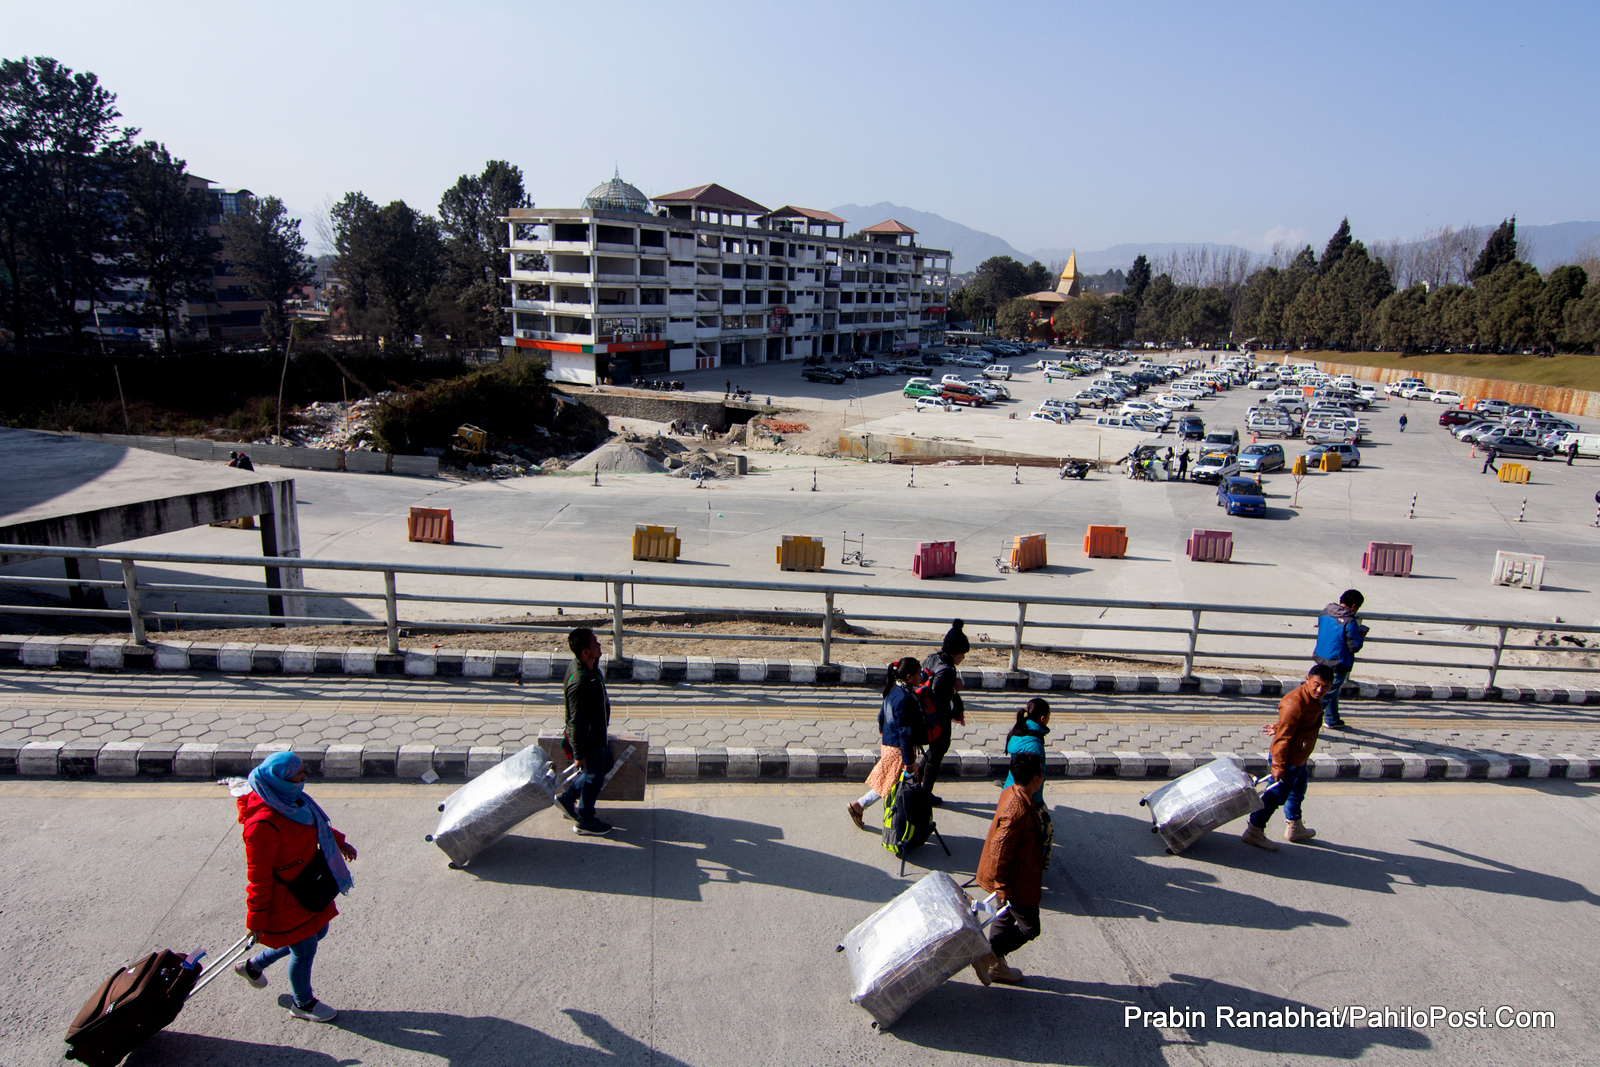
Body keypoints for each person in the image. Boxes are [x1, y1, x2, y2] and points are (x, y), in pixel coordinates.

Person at [233, 751, 356, 1023]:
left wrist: (339, 842)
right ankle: (303, 1003)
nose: (303, 776)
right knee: (304, 950)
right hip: (285, 898)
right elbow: (258, 877)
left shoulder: (289, 799)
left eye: (302, 770)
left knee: (319, 931)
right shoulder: (261, 825)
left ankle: (253, 966)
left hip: (308, 887)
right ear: (279, 779)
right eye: (296, 773)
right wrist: (256, 919)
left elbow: (316, 826)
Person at [971, 751, 1048, 986]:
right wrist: (1002, 885)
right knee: (1029, 927)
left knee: (1004, 918)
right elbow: (1000, 850)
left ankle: (995, 965)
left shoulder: (1013, 791)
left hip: (1013, 877)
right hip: (1015, 880)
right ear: (1036, 778)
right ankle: (989, 954)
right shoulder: (1018, 810)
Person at [1242, 665, 1334, 850]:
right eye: (1316, 684)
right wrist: (1278, 766)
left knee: (1298, 790)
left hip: (1299, 756)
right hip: (1287, 759)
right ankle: (1254, 831)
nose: (1319, 690)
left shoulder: (1313, 698)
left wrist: (1278, 726)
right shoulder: (1295, 702)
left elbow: (1295, 724)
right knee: (1274, 796)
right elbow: (1283, 738)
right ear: (1307, 679)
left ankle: (1295, 826)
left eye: (1325, 686)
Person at [848, 657, 922, 830]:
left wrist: (883, 727)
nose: (921, 677)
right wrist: (908, 762)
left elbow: (881, 714)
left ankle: (903, 822)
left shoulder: (893, 690)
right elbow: (905, 733)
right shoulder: (904, 698)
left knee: (892, 785)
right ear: (909, 677)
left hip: (888, 744)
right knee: (890, 785)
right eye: (919, 674)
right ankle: (859, 806)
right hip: (898, 749)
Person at [557, 627, 615, 836]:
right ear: (585, 652)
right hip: (590, 740)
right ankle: (585, 820)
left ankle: (567, 797)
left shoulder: (588, 665)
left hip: (598, 735)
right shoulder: (580, 682)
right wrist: (579, 755)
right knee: (593, 778)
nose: (599, 645)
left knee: (605, 764)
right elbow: (575, 722)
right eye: (595, 643)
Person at [917, 621, 968, 804]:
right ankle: (925, 792)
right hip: (939, 718)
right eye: (962, 654)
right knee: (938, 752)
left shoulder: (933, 658)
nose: (963, 657)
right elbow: (938, 693)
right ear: (955, 652)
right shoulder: (947, 671)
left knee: (934, 751)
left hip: (926, 714)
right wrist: (954, 690)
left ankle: (917, 785)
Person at [1312, 589, 1367, 729]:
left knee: (1332, 691)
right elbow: (1354, 646)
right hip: (1338, 662)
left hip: (1321, 657)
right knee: (1328, 692)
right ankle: (1307, 722)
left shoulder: (1325, 612)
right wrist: (1361, 635)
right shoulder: (1350, 622)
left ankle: (1332, 719)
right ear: (1354, 606)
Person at [1001, 698, 1050, 806]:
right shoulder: (1034, 746)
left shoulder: (1020, 731)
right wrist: (1036, 802)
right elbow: (1032, 780)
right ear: (1042, 718)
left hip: (1009, 790)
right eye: (1048, 716)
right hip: (1027, 799)